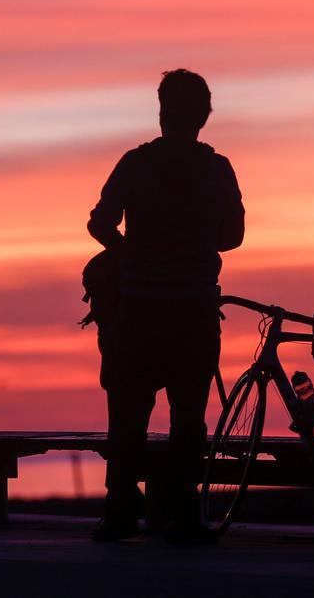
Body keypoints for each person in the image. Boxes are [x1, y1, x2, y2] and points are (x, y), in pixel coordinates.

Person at [87, 69, 245, 543]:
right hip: (194, 312)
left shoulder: (135, 164)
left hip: (139, 311)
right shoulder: (218, 169)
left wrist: (128, 251)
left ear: (161, 112)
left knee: (128, 413)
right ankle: (183, 513)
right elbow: (233, 237)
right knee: (188, 418)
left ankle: (120, 511)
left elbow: (99, 223)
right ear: (204, 117)